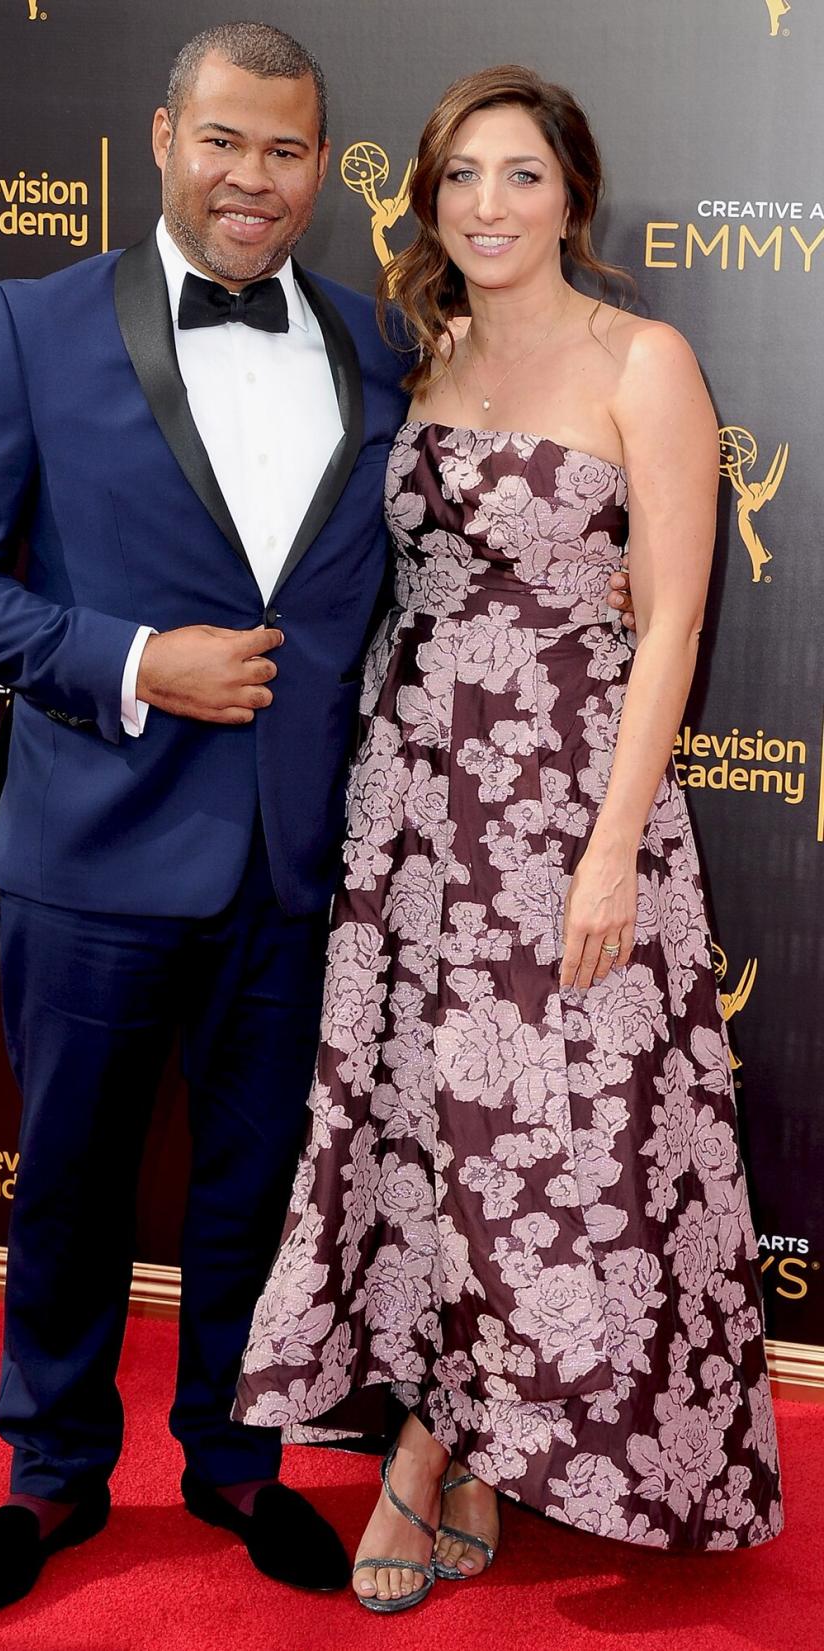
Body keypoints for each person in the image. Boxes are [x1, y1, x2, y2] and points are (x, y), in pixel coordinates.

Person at [235, 64, 782, 1614]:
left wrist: (612, 850)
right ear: (427, 199)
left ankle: (495, 1443)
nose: (487, 204)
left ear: (573, 195)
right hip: (413, 805)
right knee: (427, 1141)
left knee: (567, 1148)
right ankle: (440, 1435)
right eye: (459, 176)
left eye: (520, 175)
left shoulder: (644, 357)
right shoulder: (427, 356)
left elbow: (675, 620)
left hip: (573, 807)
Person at [0, 21, 413, 1616]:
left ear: (323, 168)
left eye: (286, 152)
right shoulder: (34, 323)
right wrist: (132, 660)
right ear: (160, 136)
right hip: (95, 854)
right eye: (224, 142)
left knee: (254, 1184)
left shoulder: (379, 341)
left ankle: (235, 1458)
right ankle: (51, 1477)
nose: (253, 181)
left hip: (294, 858)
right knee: (67, 1179)